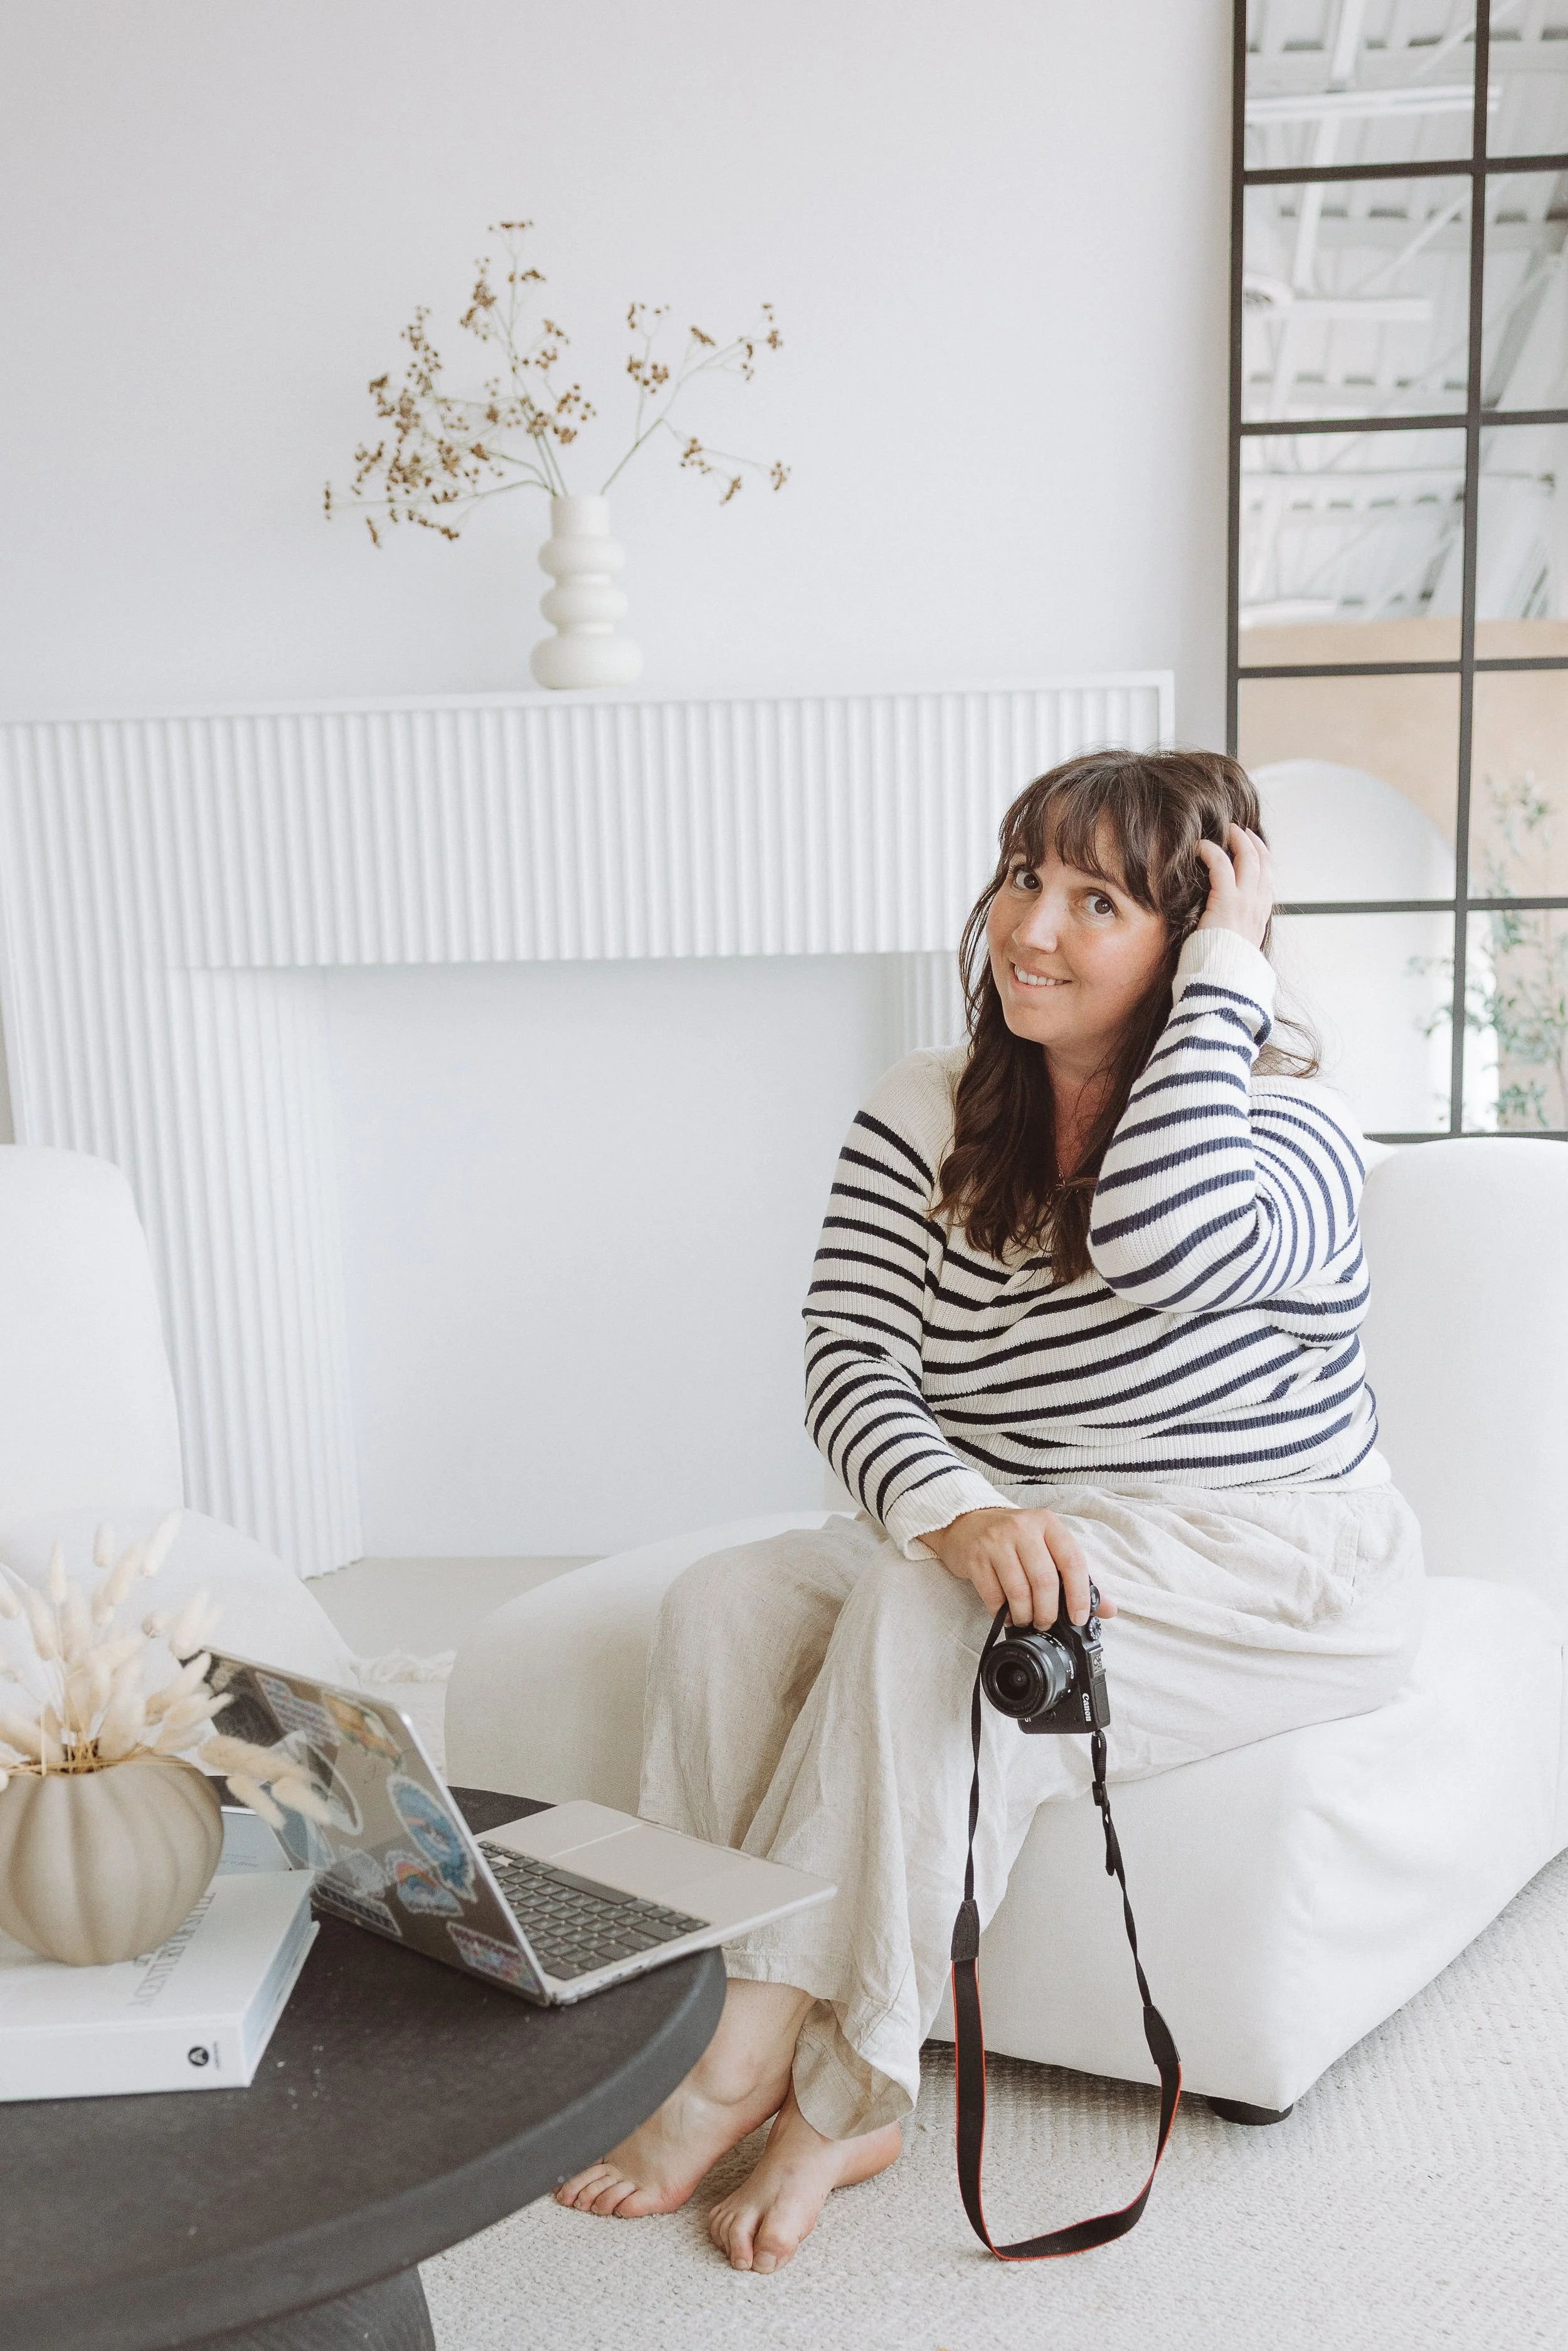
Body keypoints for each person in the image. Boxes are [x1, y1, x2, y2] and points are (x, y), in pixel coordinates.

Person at [555, 748, 1424, 2271]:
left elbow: (1157, 1238)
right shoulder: (927, 1105)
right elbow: (844, 1352)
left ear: (1191, 935)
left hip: (1260, 1553)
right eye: (1025, 874)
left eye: (1099, 901)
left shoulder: (1287, 1129)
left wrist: (1223, 982)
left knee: (931, 1606)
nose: (1031, 925)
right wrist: (950, 1500)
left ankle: (805, 2078)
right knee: (725, 1602)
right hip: (1013, 1506)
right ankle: (691, 2014)